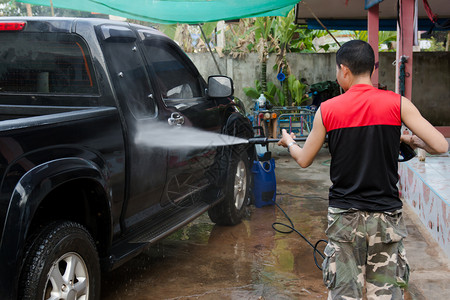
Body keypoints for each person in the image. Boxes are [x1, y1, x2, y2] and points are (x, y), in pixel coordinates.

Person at [278, 40, 448, 300]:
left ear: (344, 70)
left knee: (346, 295)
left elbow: (304, 159)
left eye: (337, 71)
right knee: (386, 294)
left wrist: (289, 142)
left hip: (345, 219)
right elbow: (439, 145)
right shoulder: (397, 104)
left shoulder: (327, 110)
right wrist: (410, 139)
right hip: (385, 218)